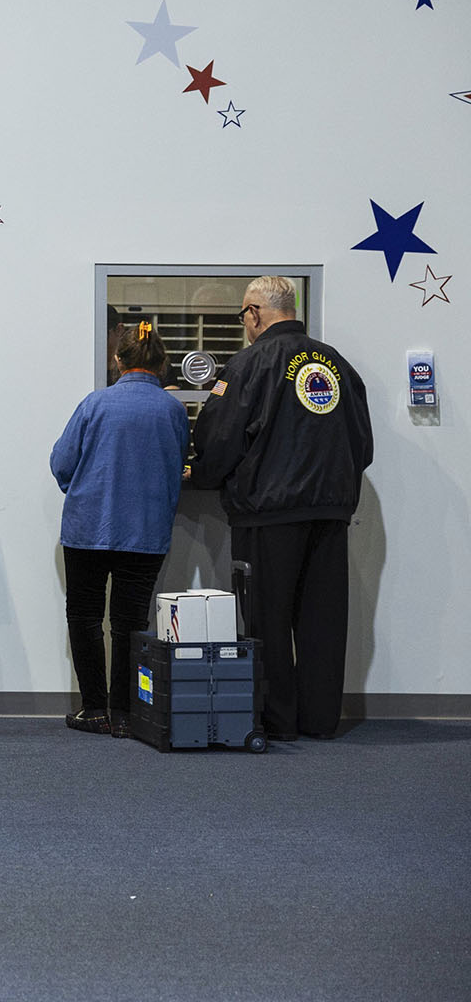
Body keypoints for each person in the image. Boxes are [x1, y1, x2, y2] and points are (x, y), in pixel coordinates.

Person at [188, 275, 373, 740]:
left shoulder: (250, 364)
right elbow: (363, 446)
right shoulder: (339, 365)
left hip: (268, 513)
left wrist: (203, 475)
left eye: (242, 317)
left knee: (266, 621)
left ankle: (278, 722)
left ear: (254, 313)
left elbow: (219, 439)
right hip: (330, 513)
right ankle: (320, 720)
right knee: (322, 623)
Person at [50, 321, 190, 738]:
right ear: (162, 362)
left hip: (87, 528)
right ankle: (126, 713)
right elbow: (179, 460)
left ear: (118, 359)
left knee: (85, 616)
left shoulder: (94, 404)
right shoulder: (174, 410)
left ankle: (94, 709)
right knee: (131, 622)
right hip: (145, 532)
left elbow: (61, 463)